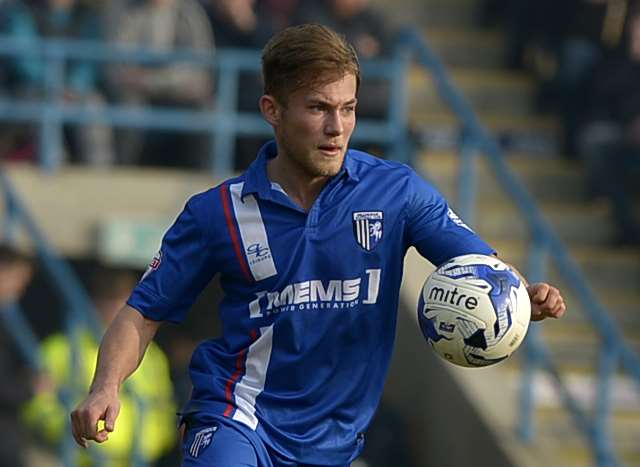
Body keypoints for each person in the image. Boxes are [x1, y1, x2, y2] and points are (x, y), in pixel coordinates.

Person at [71, 24, 566, 466]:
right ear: (273, 110)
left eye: (348, 109)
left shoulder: (396, 194)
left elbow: (477, 265)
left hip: (334, 442)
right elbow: (143, 311)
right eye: (319, 108)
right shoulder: (216, 213)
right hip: (237, 419)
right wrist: (105, 386)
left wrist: (523, 293)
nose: (337, 128)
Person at [25, 267, 176, 466]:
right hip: (73, 459)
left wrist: (144, 446)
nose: (114, 307)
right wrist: (75, 432)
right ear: (92, 301)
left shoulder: (153, 355)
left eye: (123, 300)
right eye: (106, 298)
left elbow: (164, 410)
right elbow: (35, 407)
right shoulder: (58, 349)